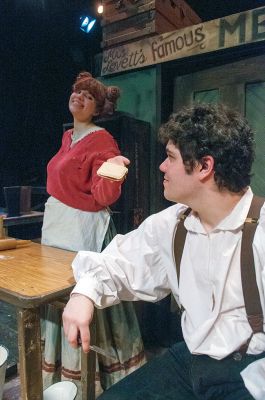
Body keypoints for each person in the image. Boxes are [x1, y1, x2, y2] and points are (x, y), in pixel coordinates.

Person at [63, 103, 265, 399]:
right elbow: (118, 262)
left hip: (251, 370)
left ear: (204, 167)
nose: (162, 166)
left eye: (170, 157)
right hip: (191, 358)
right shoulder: (173, 224)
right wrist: (84, 294)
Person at [41, 72, 145, 398]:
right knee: (55, 296)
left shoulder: (102, 141)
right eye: (77, 91)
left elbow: (103, 194)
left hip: (83, 229)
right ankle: (60, 377)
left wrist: (113, 172)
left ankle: (91, 382)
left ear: (97, 107)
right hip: (59, 225)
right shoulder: (68, 137)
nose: (79, 97)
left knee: (82, 291)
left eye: (87, 96)